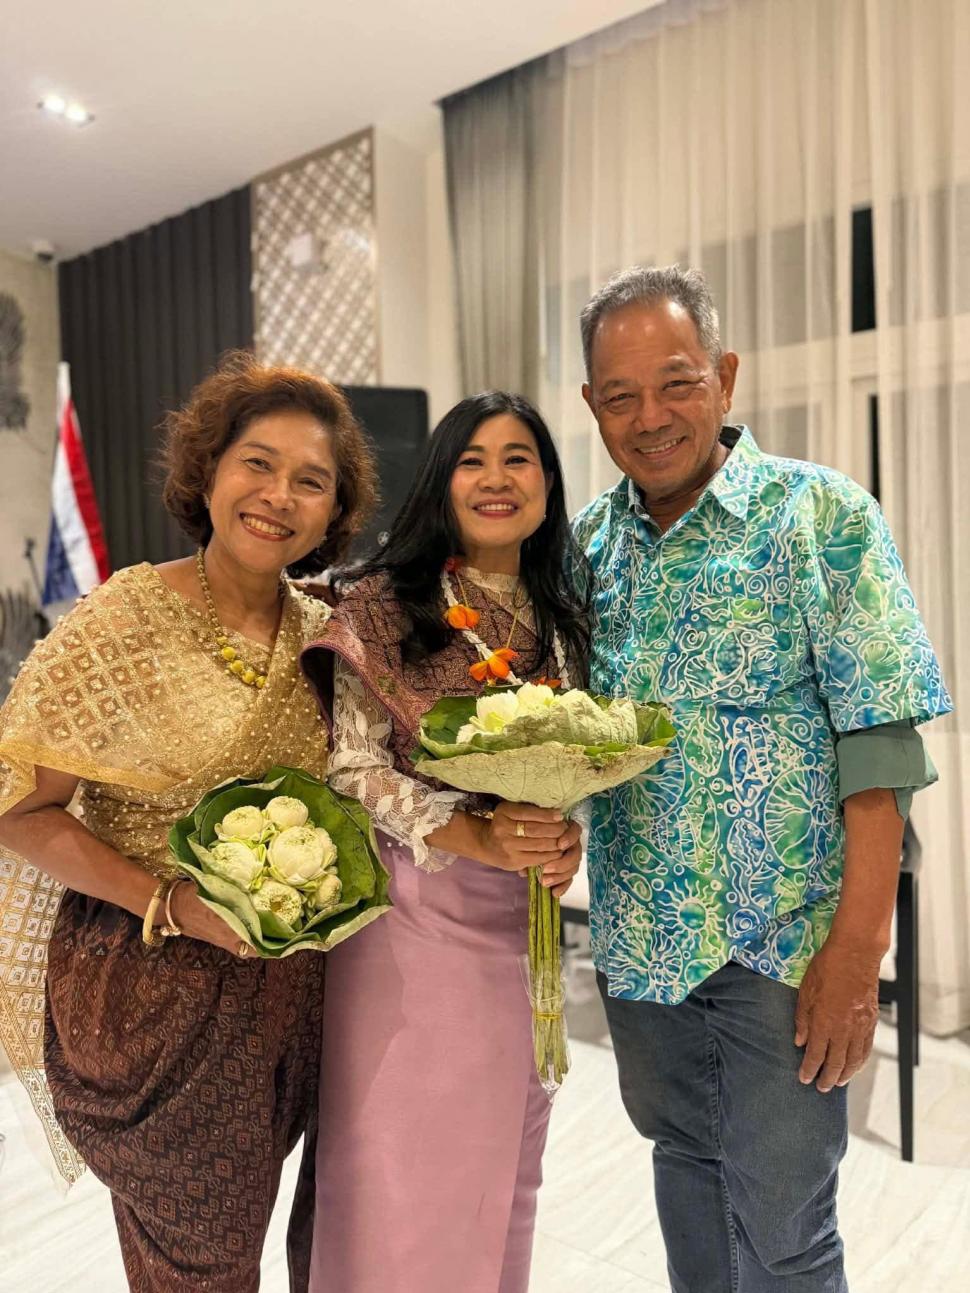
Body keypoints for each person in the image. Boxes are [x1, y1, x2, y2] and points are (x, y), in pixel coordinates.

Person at [572, 265, 951, 1291]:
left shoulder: (821, 516)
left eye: (677, 382)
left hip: (783, 952)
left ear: (726, 376)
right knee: (686, 1181)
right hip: (642, 948)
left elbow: (880, 748)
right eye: (621, 395)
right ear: (593, 406)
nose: (651, 417)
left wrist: (856, 955)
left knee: (785, 1233)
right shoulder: (588, 549)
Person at [0, 351, 378, 1292]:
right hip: (152, 993)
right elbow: (18, 807)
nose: (278, 495)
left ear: (333, 512)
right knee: (200, 1271)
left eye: (310, 481)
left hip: (290, 1003)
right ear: (208, 471)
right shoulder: (121, 620)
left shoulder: (325, 631)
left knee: (260, 1247)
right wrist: (167, 901)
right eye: (258, 463)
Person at [300, 390, 589, 1293]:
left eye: (518, 459)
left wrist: (559, 835)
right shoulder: (385, 604)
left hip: (522, 929)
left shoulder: (561, 614)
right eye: (473, 460)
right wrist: (479, 836)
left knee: (504, 1174)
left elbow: (573, 759)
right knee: (403, 1174)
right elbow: (352, 765)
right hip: (409, 921)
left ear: (548, 483)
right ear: (441, 480)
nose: (497, 479)